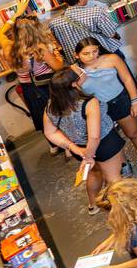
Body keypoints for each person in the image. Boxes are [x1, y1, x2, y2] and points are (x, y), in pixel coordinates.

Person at [42, 67, 126, 214]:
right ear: (74, 84)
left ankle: (93, 205)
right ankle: (123, 212)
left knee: (94, 174)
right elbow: (94, 136)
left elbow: (50, 132)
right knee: (114, 178)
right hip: (104, 144)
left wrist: (75, 149)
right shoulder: (88, 103)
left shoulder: (51, 106)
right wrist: (89, 156)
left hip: (79, 148)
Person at [72, 37, 137, 175]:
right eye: (86, 53)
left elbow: (127, 79)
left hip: (119, 101)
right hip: (97, 109)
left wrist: (135, 101)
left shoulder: (112, 58)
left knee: (132, 132)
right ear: (76, 55)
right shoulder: (73, 71)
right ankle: (123, 164)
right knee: (112, 140)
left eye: (95, 51)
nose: (92, 56)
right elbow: (75, 95)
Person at [0, 10, 64, 148]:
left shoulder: (8, 48)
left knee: (42, 115)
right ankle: (66, 143)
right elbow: (58, 67)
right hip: (45, 85)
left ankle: (53, 145)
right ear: (34, 31)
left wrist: (16, 15)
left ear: (14, 32)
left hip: (28, 89)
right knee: (57, 113)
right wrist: (58, 54)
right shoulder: (39, 48)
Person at [50, 0, 125, 59]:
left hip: (80, 61)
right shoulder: (96, 12)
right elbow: (110, 33)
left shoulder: (54, 24)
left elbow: (61, 44)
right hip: (103, 54)